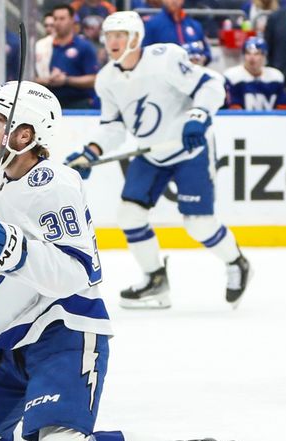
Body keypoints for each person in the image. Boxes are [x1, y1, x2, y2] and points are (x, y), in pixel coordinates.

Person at [0, 79, 257, 441]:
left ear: (25, 134)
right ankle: (36, 431)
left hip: (63, 330)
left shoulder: (56, 185)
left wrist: (9, 247)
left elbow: (80, 272)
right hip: (11, 337)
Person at [66, 11, 251, 309]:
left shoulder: (165, 59)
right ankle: (155, 280)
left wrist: (198, 115)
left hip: (190, 148)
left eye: (119, 35)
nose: (112, 41)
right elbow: (113, 127)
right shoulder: (107, 79)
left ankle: (237, 262)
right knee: (129, 214)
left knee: (198, 224)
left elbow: (211, 84)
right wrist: (91, 152)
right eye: (109, 36)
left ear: (136, 38)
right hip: (151, 152)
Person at [33, 3, 100, 109]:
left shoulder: (83, 46)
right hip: (48, 104)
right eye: (55, 19)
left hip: (78, 105)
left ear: (72, 20)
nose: (58, 23)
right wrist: (46, 80)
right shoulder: (43, 46)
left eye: (62, 18)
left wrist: (66, 80)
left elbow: (94, 79)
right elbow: (29, 76)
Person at [223, 36, 286, 110]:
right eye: (248, 53)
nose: (252, 58)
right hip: (242, 120)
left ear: (264, 56)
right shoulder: (232, 76)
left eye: (256, 54)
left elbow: (284, 108)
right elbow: (233, 110)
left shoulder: (276, 77)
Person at [141, 0, 212, 65]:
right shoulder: (152, 24)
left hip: (191, 74)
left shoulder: (194, 25)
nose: (174, 1)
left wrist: (201, 60)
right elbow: (143, 54)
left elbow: (206, 52)